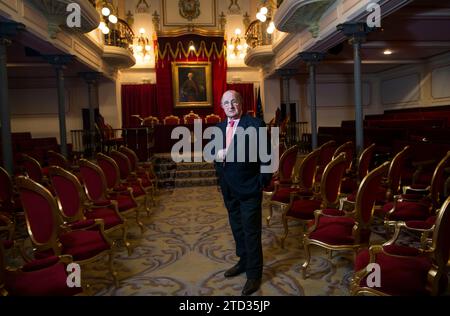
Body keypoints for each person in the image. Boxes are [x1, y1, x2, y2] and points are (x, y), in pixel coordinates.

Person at [214, 90, 273, 296]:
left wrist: (261, 182)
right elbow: (215, 154)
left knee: (251, 231)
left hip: (250, 188)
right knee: (237, 229)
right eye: (226, 103)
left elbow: (267, 158)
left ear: (241, 103)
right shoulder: (219, 127)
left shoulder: (255, 125)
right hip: (229, 189)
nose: (230, 106)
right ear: (222, 106)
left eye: (234, 102)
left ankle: (254, 273)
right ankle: (244, 261)